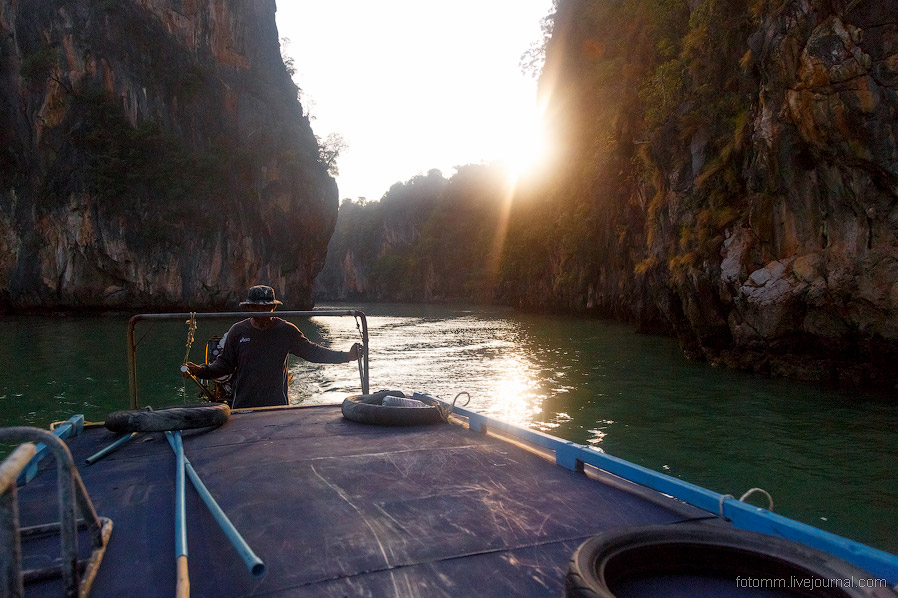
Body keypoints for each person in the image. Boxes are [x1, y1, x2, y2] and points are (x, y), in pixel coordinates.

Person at [182, 285, 362, 409]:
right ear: (248, 308)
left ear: (273, 309)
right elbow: (225, 364)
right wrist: (201, 371)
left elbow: (313, 352)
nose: (262, 313)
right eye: (257, 308)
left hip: (277, 405)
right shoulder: (238, 331)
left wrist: (347, 356)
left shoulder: (286, 331)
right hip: (244, 406)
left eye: (267, 308)